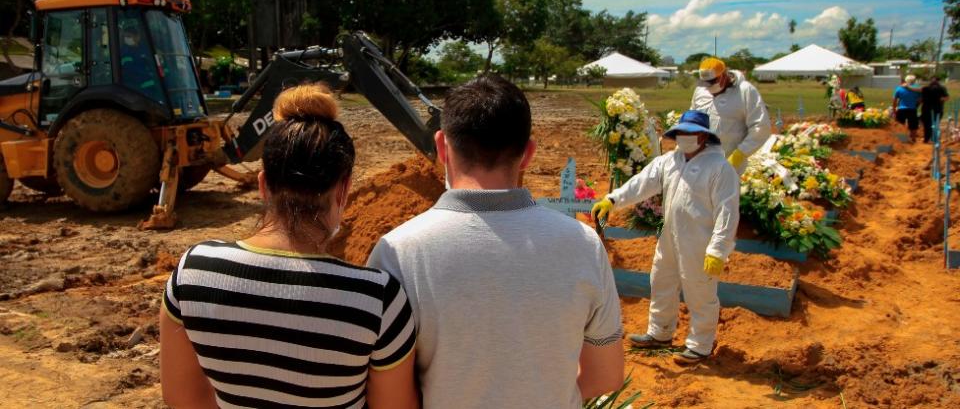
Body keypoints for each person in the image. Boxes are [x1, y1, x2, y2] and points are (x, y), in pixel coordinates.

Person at [367, 75, 624, 408]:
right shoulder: (584, 245)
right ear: (528, 153)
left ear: (442, 147)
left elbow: (390, 400)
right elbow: (605, 377)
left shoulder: (397, 252)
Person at [160, 84, 419, 409]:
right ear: (343, 191)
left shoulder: (192, 273)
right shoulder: (377, 301)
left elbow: (183, 399)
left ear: (263, 185)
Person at [591, 110, 739, 365]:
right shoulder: (670, 161)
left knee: (699, 290)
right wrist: (613, 199)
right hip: (669, 235)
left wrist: (718, 249)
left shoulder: (720, 168)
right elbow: (642, 183)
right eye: (681, 132)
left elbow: (728, 211)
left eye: (690, 133)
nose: (684, 137)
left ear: (703, 136)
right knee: (661, 281)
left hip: (699, 241)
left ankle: (700, 345)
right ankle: (660, 332)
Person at [691, 57, 771, 174]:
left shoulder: (745, 91)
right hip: (701, 162)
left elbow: (760, 126)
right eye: (705, 83)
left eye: (712, 82)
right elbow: (692, 121)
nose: (708, 87)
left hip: (732, 162)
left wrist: (739, 154)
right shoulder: (700, 91)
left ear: (724, 75)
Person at [893, 75, 922, 142]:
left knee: (900, 124)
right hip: (912, 109)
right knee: (913, 125)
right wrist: (917, 105)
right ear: (914, 81)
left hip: (901, 109)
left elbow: (894, 100)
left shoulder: (899, 88)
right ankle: (913, 138)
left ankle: (901, 138)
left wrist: (894, 110)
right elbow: (920, 99)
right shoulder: (917, 89)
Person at [921, 76, 950, 144]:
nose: (933, 82)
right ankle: (928, 138)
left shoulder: (941, 88)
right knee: (929, 124)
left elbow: (947, 97)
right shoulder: (926, 88)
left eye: (934, 80)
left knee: (932, 124)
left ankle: (932, 138)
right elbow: (921, 98)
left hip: (936, 109)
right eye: (932, 80)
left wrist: (941, 99)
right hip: (930, 109)